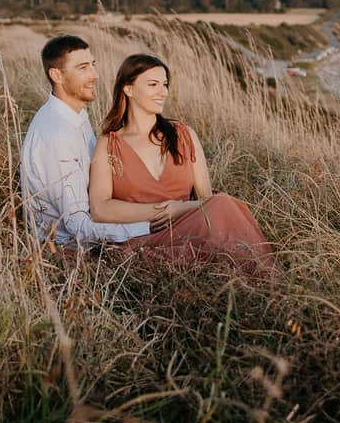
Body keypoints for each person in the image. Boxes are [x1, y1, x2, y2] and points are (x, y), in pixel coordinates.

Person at [89, 53, 275, 273]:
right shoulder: (109, 144)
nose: (163, 92)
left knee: (222, 205)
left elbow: (207, 200)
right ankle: (264, 278)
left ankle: (265, 279)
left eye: (165, 84)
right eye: (153, 84)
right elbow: (100, 209)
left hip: (188, 229)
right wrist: (163, 211)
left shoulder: (184, 135)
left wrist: (181, 209)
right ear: (128, 89)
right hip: (142, 236)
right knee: (222, 204)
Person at [21, 35, 161, 250]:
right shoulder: (57, 134)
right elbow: (78, 226)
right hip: (71, 249)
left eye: (93, 65)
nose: (95, 75)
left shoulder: (74, 116)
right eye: (83, 68)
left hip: (97, 228)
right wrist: (150, 228)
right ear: (56, 75)